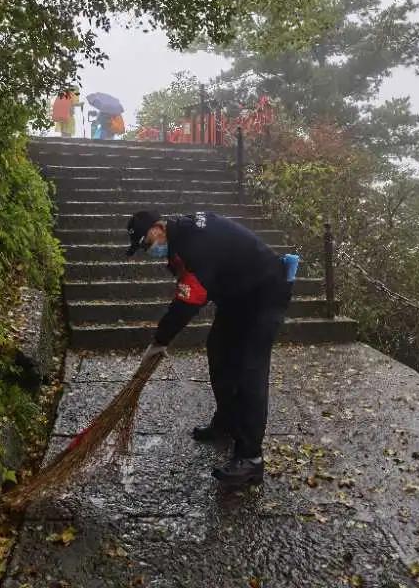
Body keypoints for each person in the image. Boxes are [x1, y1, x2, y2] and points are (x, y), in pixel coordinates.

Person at [126, 209, 296, 487]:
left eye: (147, 243)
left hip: (265, 292)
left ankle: (251, 458)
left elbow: (187, 303)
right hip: (236, 296)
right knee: (218, 349)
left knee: (249, 370)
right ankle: (226, 421)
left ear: (159, 227)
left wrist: (159, 341)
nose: (149, 250)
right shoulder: (181, 237)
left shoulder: (193, 243)